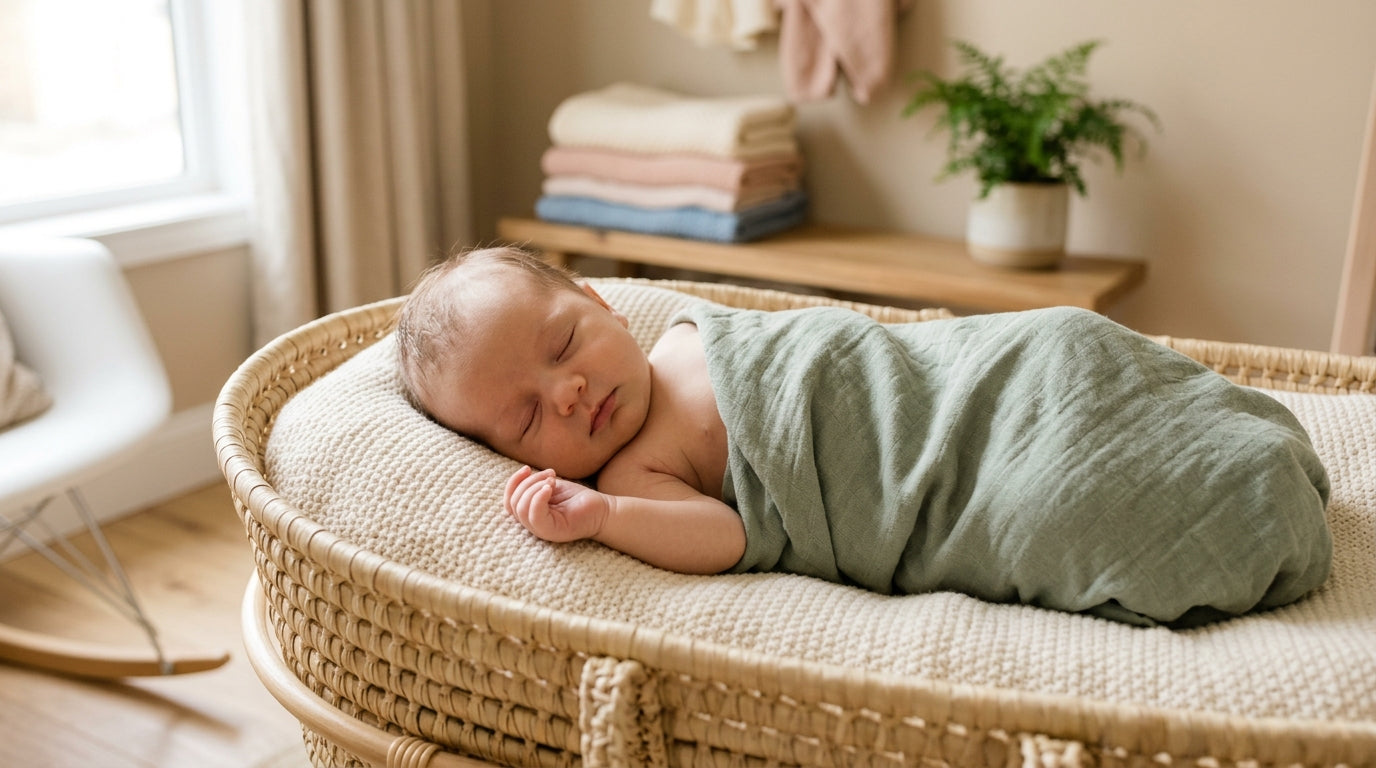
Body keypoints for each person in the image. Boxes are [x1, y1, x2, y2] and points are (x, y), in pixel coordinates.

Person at [395, 246, 1333, 627]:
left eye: (564, 343)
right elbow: (729, 541)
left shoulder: (686, 324)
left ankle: (1217, 435)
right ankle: (1223, 503)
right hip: (927, 478)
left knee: (1063, 340)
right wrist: (599, 517)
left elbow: (862, 354)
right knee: (1048, 501)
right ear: (512, 457)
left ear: (601, 299)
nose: (569, 394)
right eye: (525, 418)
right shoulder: (638, 471)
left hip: (960, 380)